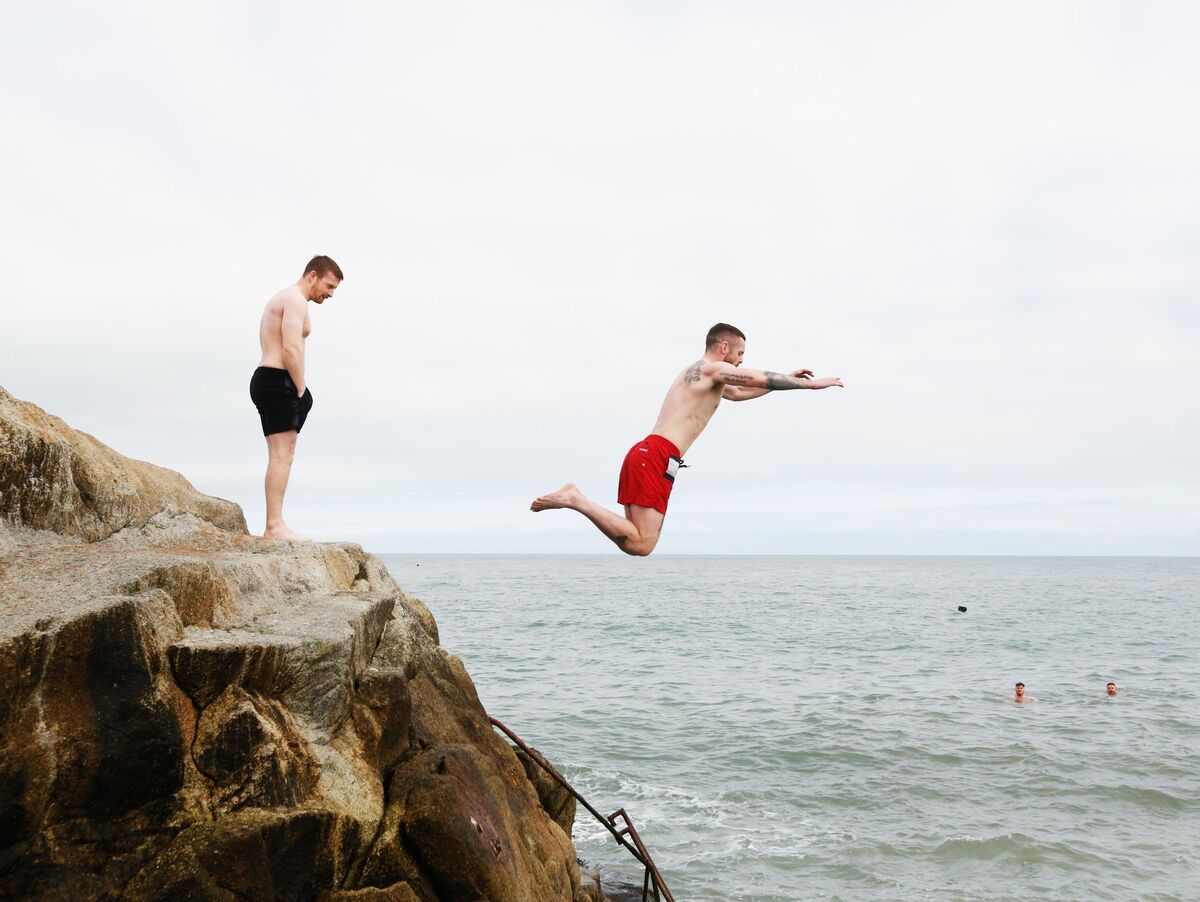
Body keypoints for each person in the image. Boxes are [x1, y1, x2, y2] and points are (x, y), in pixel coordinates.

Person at [530, 323, 843, 555]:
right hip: (654, 456)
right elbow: (756, 377)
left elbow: (742, 391)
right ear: (724, 347)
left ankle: (575, 499)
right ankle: (575, 499)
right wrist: (810, 387)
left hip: (653, 455)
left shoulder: (707, 377)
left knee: (639, 542)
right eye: (740, 354)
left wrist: (786, 378)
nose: (740, 361)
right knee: (642, 544)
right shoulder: (710, 369)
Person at [249, 255, 343, 540]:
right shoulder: (294, 300)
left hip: (273, 380)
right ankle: (274, 526)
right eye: (329, 286)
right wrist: (301, 390)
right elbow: (290, 347)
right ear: (312, 276)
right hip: (279, 381)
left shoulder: (293, 299)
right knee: (282, 455)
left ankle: (274, 524)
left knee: (282, 454)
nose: (330, 294)